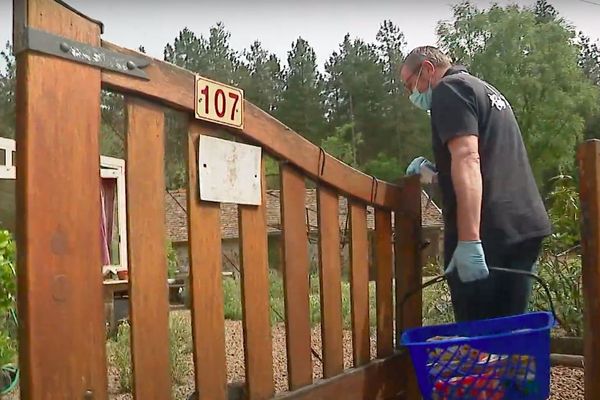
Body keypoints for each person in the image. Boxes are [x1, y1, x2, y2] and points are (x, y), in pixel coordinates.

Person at [400, 46, 552, 322]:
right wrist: (435, 176)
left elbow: (468, 158)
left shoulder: (449, 90)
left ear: (428, 69)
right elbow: (491, 160)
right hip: (523, 224)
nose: (412, 94)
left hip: (488, 231)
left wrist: (469, 239)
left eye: (411, 84)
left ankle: (484, 365)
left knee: (479, 339)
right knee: (507, 334)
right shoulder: (485, 90)